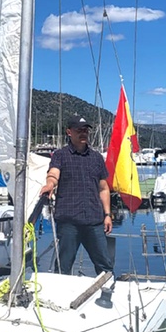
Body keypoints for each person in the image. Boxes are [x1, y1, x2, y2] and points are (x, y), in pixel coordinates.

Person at [39, 114, 113, 275]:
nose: (83, 133)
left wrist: (107, 214)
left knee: (105, 265)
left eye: (86, 130)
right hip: (69, 222)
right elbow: (53, 173)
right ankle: (61, 299)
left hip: (94, 221)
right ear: (69, 132)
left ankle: (107, 295)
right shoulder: (60, 155)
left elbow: (104, 188)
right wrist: (50, 184)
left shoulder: (96, 158)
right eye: (79, 130)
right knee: (63, 267)